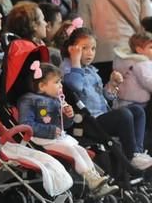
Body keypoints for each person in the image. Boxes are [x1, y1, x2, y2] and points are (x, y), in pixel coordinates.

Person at [60, 26, 152, 171]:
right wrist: (75, 61)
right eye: (84, 48)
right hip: (88, 122)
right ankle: (132, 155)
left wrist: (111, 85)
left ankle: (137, 153)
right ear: (73, 49)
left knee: (138, 111)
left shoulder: (91, 70)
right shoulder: (68, 68)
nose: (90, 53)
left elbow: (105, 97)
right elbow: (74, 86)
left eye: (93, 49)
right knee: (124, 114)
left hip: (102, 115)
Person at [18, 62, 116, 196]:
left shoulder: (56, 100)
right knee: (72, 151)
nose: (61, 85)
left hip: (57, 138)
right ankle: (91, 179)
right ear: (42, 86)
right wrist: (50, 130)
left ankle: (94, 177)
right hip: (42, 140)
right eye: (57, 82)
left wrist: (67, 116)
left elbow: (65, 125)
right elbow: (26, 124)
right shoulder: (29, 100)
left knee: (81, 150)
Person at [114, 32, 152, 110]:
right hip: (136, 100)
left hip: (124, 99)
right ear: (139, 50)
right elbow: (147, 81)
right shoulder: (141, 63)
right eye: (151, 47)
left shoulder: (127, 60)